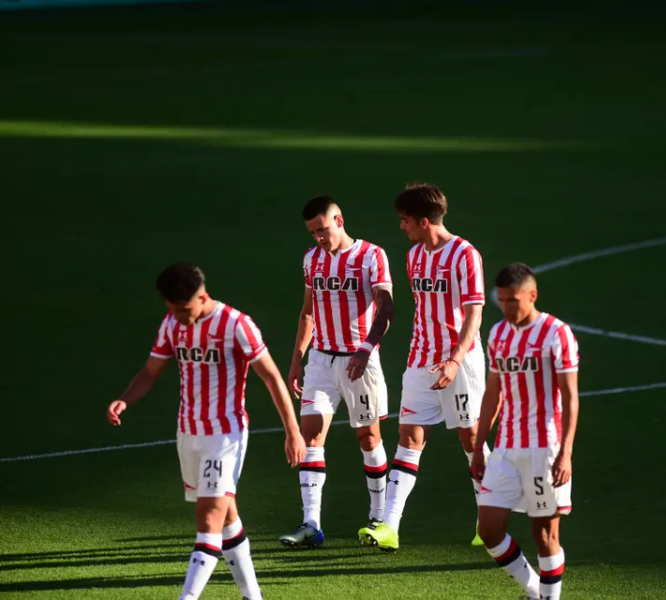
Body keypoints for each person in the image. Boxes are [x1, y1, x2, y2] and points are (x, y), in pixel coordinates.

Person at [106, 262, 305, 600]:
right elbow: (150, 371)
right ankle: (253, 596)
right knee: (227, 516)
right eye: (173, 310)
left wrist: (293, 431)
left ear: (203, 296)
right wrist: (125, 399)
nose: (180, 317)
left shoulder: (236, 325)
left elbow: (271, 377)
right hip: (188, 433)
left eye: (184, 310)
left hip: (225, 436)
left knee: (209, 517)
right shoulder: (172, 324)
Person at [359, 182, 489, 551]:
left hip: (459, 364)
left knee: (471, 440)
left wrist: (454, 359)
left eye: (405, 221)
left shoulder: (465, 255)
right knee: (408, 438)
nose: (402, 228)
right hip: (420, 360)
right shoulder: (414, 256)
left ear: (422, 221)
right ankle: (389, 527)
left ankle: (488, 520)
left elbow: (473, 314)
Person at [279, 195, 394, 547]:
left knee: (369, 438)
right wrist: (298, 359)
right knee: (311, 436)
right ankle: (310, 523)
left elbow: (386, 307)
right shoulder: (312, 259)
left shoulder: (372, 256)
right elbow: (308, 313)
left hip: (360, 361)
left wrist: (365, 348)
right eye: (312, 232)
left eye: (322, 229)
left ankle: (379, 519)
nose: (318, 238)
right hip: (321, 361)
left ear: (339, 220)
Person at [470, 263, 579, 600]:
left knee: (544, 534)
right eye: (501, 301)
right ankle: (535, 591)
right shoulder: (498, 334)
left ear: (532, 295)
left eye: (513, 300)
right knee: (488, 529)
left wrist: (566, 453)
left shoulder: (556, 333)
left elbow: (571, 396)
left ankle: (548, 597)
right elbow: (493, 393)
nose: (507, 308)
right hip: (505, 446)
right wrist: (478, 447)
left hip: (544, 447)